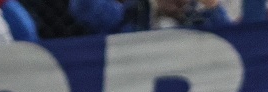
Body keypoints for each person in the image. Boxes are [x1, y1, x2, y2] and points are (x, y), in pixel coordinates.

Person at [69, 0, 231, 34]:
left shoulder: (203, 22)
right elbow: (83, 6)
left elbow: (232, 38)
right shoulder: (130, 16)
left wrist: (212, 7)